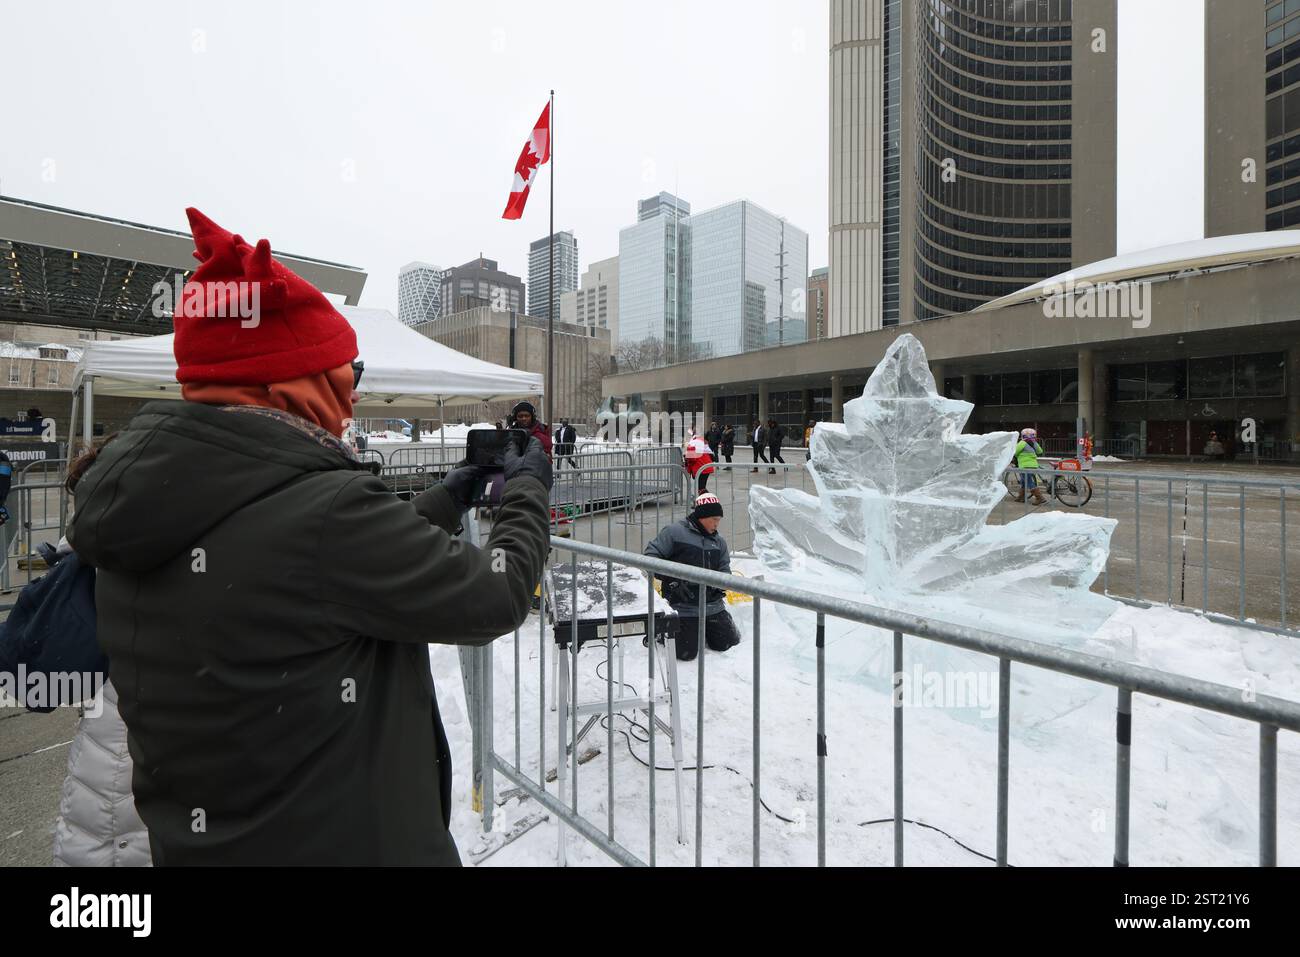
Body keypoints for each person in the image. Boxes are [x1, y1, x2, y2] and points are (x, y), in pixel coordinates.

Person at [67, 208, 553, 866]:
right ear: (291, 383)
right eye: (345, 375)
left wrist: (452, 492)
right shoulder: (325, 516)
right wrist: (527, 486)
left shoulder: (144, 505)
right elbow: (496, 593)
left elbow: (321, 564)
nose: (352, 400)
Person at [643, 492, 740, 661]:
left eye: (719, 520)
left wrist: (721, 585)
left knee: (728, 644)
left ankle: (704, 628)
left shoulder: (719, 542)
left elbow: (725, 569)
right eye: (714, 519)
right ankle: (661, 630)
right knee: (685, 653)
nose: (717, 524)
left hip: (712, 605)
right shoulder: (674, 533)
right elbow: (650, 557)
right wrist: (672, 579)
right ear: (702, 517)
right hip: (682, 604)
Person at [1013, 427, 1047, 505]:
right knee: (1024, 481)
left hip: (1024, 465)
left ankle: (1039, 498)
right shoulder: (1034, 442)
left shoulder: (1022, 442)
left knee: (1029, 482)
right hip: (1033, 465)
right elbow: (1040, 451)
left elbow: (1015, 452)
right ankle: (1021, 497)